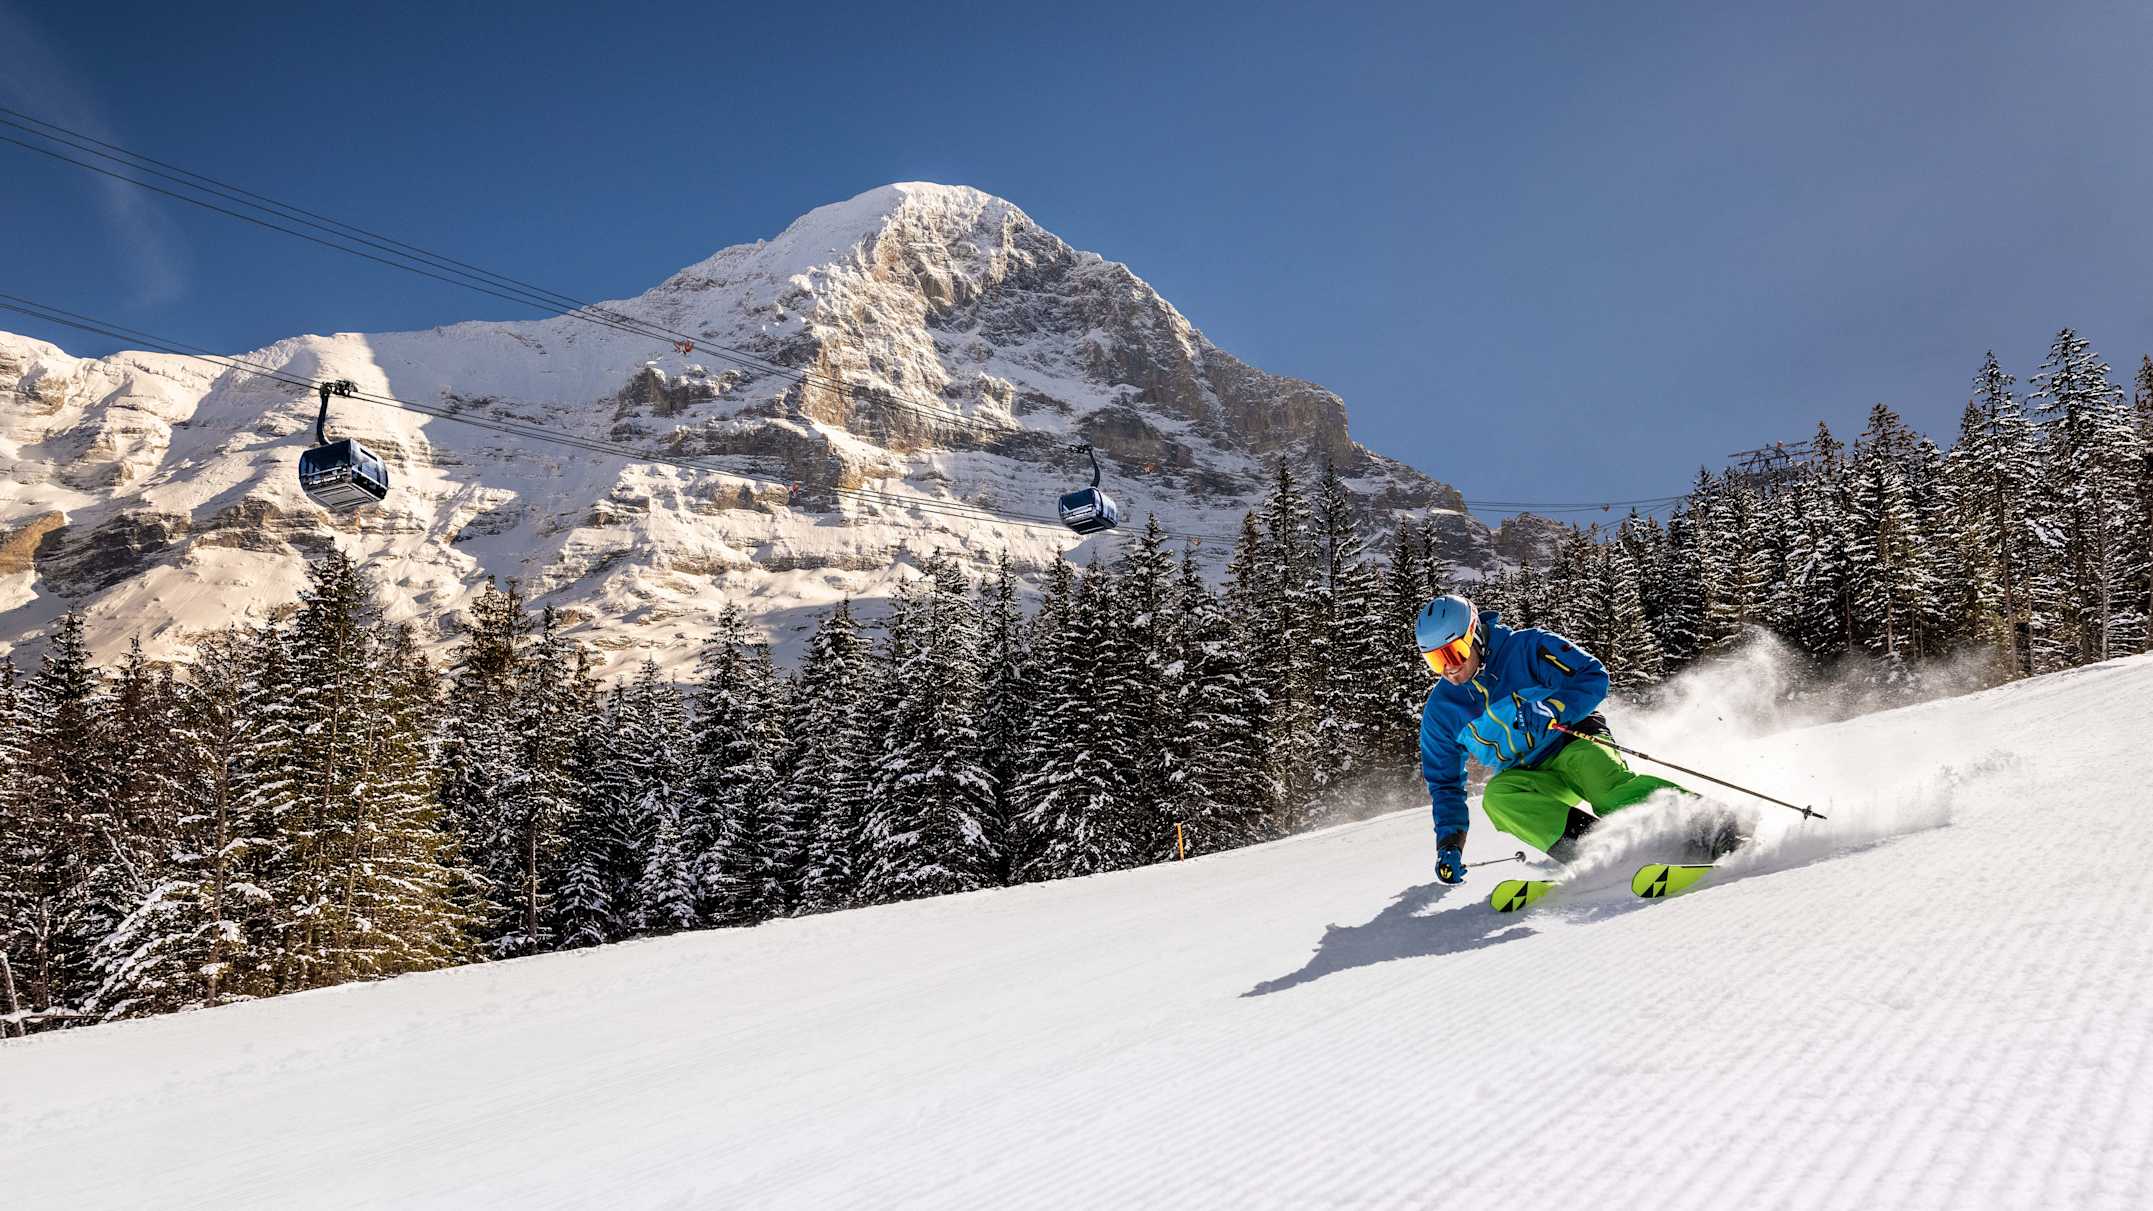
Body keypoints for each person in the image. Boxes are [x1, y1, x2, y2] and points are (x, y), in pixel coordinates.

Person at [1414, 594, 1695, 884]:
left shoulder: (1526, 648)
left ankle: (1699, 824)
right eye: (1436, 660)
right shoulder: (1441, 711)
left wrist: (1553, 707)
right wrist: (1449, 844)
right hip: (1529, 773)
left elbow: (1592, 675)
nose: (1449, 669)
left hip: (1573, 740)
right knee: (1498, 799)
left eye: (1454, 653)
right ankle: (1601, 853)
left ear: (1475, 636)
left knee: (1605, 791)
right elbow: (1445, 783)